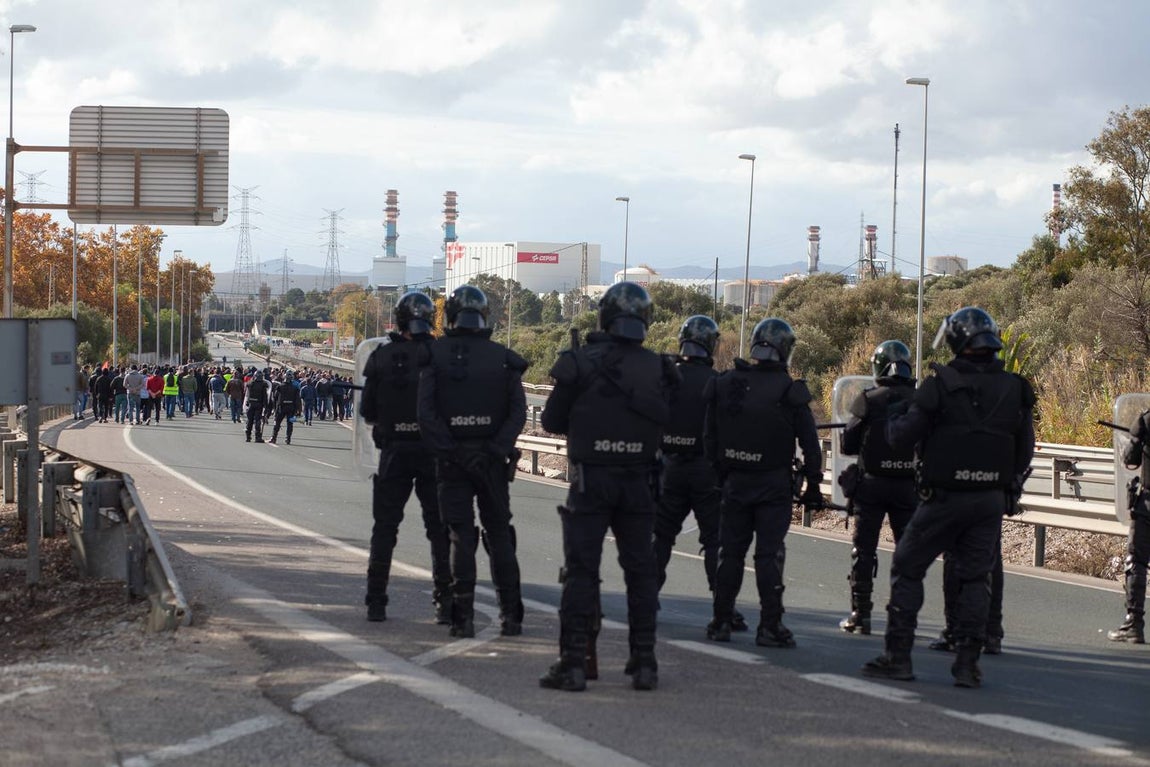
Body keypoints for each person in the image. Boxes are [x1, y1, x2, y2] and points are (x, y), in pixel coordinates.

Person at [862, 307, 1035, 689]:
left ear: (956, 341)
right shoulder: (1014, 388)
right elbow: (1024, 453)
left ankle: (898, 657)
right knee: (977, 577)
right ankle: (967, 664)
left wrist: (897, 414)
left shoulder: (939, 384)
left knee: (907, 566)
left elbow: (900, 438)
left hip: (944, 498)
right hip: (989, 499)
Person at [538, 282, 677, 692]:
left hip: (591, 480)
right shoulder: (659, 367)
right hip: (640, 481)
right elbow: (668, 420)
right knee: (642, 573)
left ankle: (573, 663)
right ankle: (645, 660)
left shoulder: (580, 362)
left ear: (604, 317)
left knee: (581, 572)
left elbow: (550, 422)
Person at [418, 285, 528, 640]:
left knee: (460, 536)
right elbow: (517, 412)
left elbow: (426, 413)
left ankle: (462, 617)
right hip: (492, 461)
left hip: (452, 461)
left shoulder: (434, 355)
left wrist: (448, 449)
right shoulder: (503, 357)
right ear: (483, 316)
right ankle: (511, 616)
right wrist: (497, 448)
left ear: (451, 317)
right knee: (499, 534)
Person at [704, 318, 822, 649]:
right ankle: (770, 626)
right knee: (768, 556)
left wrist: (718, 473)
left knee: (731, 554)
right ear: (784, 350)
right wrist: (813, 486)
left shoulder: (727, 383)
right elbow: (812, 447)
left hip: (735, 482)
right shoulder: (790, 390)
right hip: (773, 486)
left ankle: (720, 620)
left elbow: (709, 435)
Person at [360, 291, 453, 624]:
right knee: (439, 529)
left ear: (399, 321)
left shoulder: (383, 357)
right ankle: (445, 602)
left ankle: (376, 602)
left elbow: (366, 411)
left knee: (385, 529)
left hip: (394, 451)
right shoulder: (442, 354)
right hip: (433, 453)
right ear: (430, 319)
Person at [653, 315, 747, 629]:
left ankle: (644, 598)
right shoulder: (718, 381)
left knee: (661, 536)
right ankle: (724, 609)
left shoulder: (665, 378)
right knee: (715, 540)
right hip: (707, 471)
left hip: (668, 469)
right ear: (710, 344)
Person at [837, 340, 918, 636]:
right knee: (908, 554)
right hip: (909, 488)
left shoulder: (869, 399)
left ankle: (861, 615)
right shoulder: (919, 400)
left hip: (871, 486)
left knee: (864, 551)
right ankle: (903, 617)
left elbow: (848, 444)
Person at [1110, 411, 1150, 644]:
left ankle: (1133, 623)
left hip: (1148, 505)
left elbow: (1130, 460)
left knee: (1136, 561)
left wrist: (1138, 436)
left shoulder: (1146, 420)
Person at [268, 371, 301, 444]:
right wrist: (298, 410)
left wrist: (274, 408)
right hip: (291, 408)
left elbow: (275, 398)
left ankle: (274, 438)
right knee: (290, 424)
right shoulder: (295, 388)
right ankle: (288, 439)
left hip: (281, 407)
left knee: (277, 423)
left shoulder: (280, 386)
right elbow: (297, 400)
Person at [244, 370, 270, 443]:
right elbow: (265, 396)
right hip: (258, 404)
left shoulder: (250, 384)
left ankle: (248, 437)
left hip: (251, 404)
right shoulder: (263, 385)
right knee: (257, 421)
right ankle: (257, 437)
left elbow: (247, 394)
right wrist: (266, 406)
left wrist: (247, 403)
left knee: (250, 421)